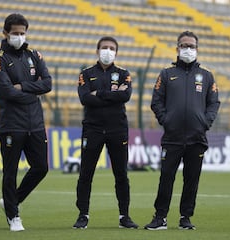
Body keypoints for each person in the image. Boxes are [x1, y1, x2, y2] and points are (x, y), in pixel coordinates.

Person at [144, 31, 220, 231]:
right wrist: (166, 120)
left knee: (192, 179)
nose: (188, 49)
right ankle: (160, 217)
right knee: (166, 177)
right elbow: (156, 101)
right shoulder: (167, 74)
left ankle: (185, 217)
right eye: (184, 45)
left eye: (192, 46)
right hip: (172, 137)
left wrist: (205, 122)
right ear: (177, 48)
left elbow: (214, 103)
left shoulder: (206, 76)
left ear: (197, 49)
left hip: (197, 137)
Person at [0, 13, 52, 232]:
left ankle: (11, 200)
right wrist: (32, 91)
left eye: (22, 33)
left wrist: (23, 87)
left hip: (35, 123)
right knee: (10, 171)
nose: (19, 37)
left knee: (42, 167)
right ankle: (13, 216)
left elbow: (48, 83)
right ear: (5, 33)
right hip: (11, 124)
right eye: (15, 33)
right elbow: (6, 91)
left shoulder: (34, 55)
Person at [72, 36, 138, 229]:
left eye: (111, 48)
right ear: (97, 51)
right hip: (92, 129)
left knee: (121, 174)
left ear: (116, 53)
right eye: (104, 47)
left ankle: (124, 216)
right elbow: (85, 98)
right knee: (86, 173)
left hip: (117, 129)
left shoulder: (124, 73)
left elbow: (125, 96)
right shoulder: (85, 74)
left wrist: (99, 93)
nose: (108, 51)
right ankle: (83, 214)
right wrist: (112, 96)